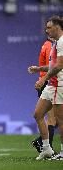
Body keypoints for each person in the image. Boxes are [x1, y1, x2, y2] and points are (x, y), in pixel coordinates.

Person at [28, 16, 63, 160]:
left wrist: (43, 78)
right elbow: (52, 66)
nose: (46, 30)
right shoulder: (55, 43)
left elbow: (60, 66)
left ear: (57, 27)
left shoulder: (61, 42)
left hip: (59, 85)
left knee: (60, 120)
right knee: (38, 114)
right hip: (51, 85)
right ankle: (47, 149)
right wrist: (38, 69)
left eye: (49, 27)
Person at [29, 36, 57, 153]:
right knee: (52, 119)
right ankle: (45, 146)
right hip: (48, 82)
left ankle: (44, 145)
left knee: (51, 118)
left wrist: (38, 70)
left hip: (47, 81)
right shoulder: (51, 46)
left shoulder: (47, 44)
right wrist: (43, 77)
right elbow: (53, 67)